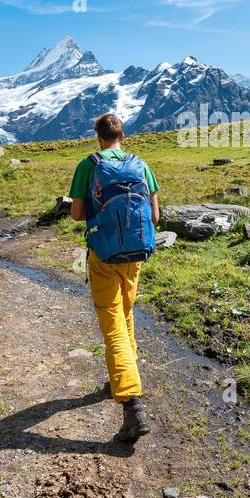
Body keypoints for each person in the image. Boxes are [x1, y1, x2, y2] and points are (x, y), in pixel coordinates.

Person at [68, 113, 160, 442]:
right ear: (123, 135)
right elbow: (154, 214)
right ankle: (120, 377)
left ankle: (132, 404)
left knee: (112, 324)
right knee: (125, 315)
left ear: (99, 137)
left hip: (103, 255)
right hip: (136, 255)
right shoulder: (141, 164)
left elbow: (77, 214)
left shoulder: (88, 165)